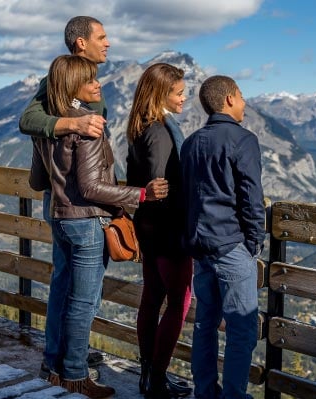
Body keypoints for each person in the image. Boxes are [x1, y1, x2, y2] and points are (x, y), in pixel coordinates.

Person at [32, 54, 169, 398]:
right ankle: (76, 375)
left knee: (64, 293)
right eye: (91, 81)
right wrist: (141, 194)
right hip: (86, 221)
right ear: (73, 87)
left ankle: (55, 366)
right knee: (83, 301)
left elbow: (37, 180)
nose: (99, 85)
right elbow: (92, 188)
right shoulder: (88, 126)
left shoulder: (48, 125)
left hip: (60, 217)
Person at [21, 15, 109, 383]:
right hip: (78, 203)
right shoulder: (58, 80)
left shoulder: (85, 84)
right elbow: (27, 119)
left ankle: (58, 355)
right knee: (79, 291)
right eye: (101, 38)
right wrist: (74, 124)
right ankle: (71, 367)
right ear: (80, 44)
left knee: (64, 282)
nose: (107, 43)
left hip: (62, 201)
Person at [179, 76, 266, 399]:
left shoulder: (192, 142)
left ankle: (204, 392)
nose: (244, 103)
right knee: (242, 330)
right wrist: (254, 243)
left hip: (199, 247)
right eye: (241, 96)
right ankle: (233, 395)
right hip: (231, 245)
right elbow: (251, 198)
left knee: (205, 323)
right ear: (229, 99)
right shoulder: (243, 140)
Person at [126, 63, 193, 399]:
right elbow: (158, 182)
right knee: (179, 301)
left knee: (152, 297)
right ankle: (157, 377)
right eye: (179, 92)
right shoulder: (160, 131)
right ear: (161, 94)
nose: (185, 98)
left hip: (149, 228)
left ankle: (148, 374)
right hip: (168, 230)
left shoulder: (141, 126)